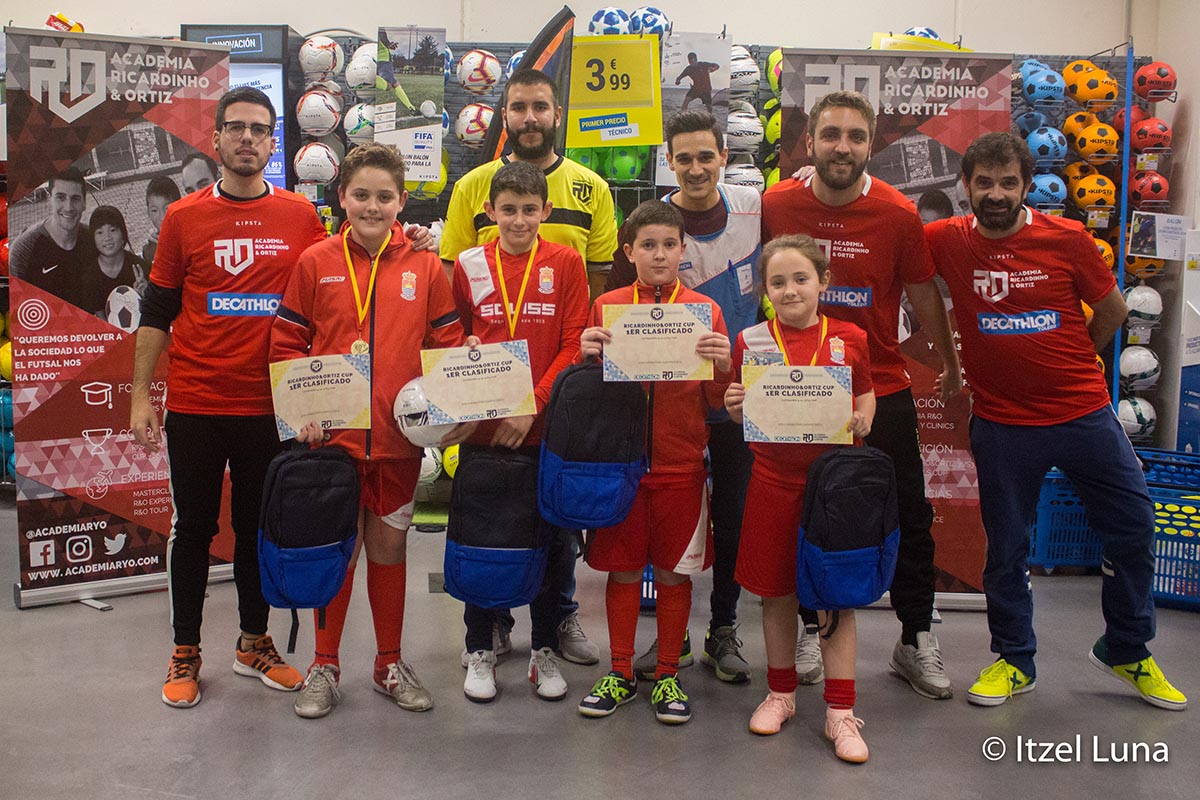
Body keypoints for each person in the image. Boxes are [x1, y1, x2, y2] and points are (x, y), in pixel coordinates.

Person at [925, 131, 1187, 711]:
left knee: (1134, 525)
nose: (996, 194)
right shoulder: (943, 239)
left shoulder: (1067, 238)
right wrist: (948, 363)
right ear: (966, 186)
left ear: (1026, 186)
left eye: (1008, 183)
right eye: (984, 183)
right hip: (1000, 423)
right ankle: (1014, 659)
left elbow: (1115, 309)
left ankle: (1126, 648)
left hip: (1083, 413)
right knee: (1007, 548)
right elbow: (914, 282)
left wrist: (1076, 358)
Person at [130, 86, 327, 709]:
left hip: (269, 409)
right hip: (195, 403)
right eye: (236, 128)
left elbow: (326, 305)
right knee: (192, 529)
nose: (247, 138)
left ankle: (253, 643)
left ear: (274, 143)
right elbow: (157, 310)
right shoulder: (183, 217)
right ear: (215, 139)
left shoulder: (301, 216)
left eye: (259, 130)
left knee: (253, 531)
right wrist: (140, 394)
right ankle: (185, 649)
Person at [761, 90, 962, 700]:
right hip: (797, 382)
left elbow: (924, 292)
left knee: (905, 511)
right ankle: (805, 629)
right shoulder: (778, 203)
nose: (841, 147)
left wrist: (951, 363)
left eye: (854, 136)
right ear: (810, 143)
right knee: (804, 509)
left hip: (882, 387)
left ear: (870, 144)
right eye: (830, 135)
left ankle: (915, 637)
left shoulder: (899, 213)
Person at [271, 142, 468, 719]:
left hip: (398, 445)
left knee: (389, 550)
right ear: (342, 197)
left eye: (385, 196)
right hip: (329, 445)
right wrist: (300, 413)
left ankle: (387, 663)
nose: (373, 206)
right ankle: (324, 665)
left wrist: (453, 406)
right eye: (362, 195)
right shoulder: (314, 262)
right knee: (336, 552)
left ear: (402, 201)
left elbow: (447, 348)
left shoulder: (426, 267)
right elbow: (286, 345)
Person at [439, 67, 617, 667]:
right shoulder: (470, 203)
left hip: (548, 411)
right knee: (486, 516)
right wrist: (463, 379)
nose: (530, 117)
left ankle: (556, 623)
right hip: (485, 418)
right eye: (519, 107)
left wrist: (536, 401)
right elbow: (452, 321)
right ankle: (486, 626)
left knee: (554, 525)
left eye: (541, 106)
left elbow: (580, 326)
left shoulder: (584, 209)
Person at [606, 110, 759, 684]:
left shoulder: (755, 210)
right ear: (669, 161)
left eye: (706, 155)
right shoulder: (655, 231)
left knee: (732, 521)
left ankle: (722, 630)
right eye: (684, 157)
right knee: (668, 544)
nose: (696, 167)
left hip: (731, 396)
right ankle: (675, 643)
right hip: (667, 423)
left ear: (725, 157)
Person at [577, 200, 732, 725]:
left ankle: (667, 673)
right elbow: (589, 391)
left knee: (673, 575)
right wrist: (586, 352)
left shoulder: (705, 313)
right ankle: (620, 671)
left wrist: (723, 365)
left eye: (669, 244)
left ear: (684, 249)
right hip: (619, 468)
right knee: (621, 574)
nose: (659, 254)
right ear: (629, 251)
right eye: (648, 245)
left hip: (682, 469)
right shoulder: (609, 307)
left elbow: (716, 403)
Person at [724, 234, 875, 762]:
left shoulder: (849, 337)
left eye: (801, 279)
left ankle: (840, 711)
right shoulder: (751, 342)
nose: (790, 290)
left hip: (833, 491)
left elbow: (866, 394)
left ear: (823, 282)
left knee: (835, 598)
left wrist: (863, 418)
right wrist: (735, 405)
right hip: (771, 485)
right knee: (776, 594)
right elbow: (741, 415)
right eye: (778, 282)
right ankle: (782, 693)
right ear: (764, 290)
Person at [450, 161, 589, 703]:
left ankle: (542, 652)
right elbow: (454, 333)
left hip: (544, 429)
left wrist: (533, 404)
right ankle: (480, 648)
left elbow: (574, 340)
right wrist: (459, 352)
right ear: (490, 213)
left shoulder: (566, 262)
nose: (519, 220)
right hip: (483, 431)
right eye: (508, 210)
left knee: (551, 547)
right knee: (483, 538)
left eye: (530, 210)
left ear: (546, 212)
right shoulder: (467, 264)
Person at [9, 166, 92, 303]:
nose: (68, 207)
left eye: (75, 198)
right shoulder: (24, 249)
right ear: (49, 200)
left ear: (84, 202)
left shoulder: (93, 240)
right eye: (61, 197)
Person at [81, 205, 148, 324]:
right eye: (100, 232)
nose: (107, 238)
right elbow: (98, 314)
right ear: (93, 238)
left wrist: (145, 294)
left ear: (123, 234)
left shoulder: (139, 268)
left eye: (113, 230)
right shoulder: (89, 275)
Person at [143, 176, 182, 265]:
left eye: (167, 208)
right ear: (148, 213)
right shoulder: (149, 251)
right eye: (154, 210)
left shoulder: (192, 239)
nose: (162, 217)